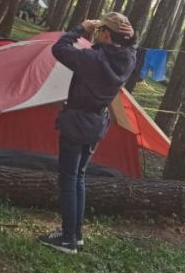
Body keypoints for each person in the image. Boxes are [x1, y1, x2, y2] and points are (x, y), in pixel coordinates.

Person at [38, 13, 138, 254]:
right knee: (79, 177)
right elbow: (124, 45)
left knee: (69, 179)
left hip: (77, 122)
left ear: (106, 34)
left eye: (102, 29)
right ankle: (75, 235)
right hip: (96, 123)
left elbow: (60, 48)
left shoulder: (92, 59)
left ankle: (68, 239)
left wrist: (80, 28)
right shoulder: (128, 58)